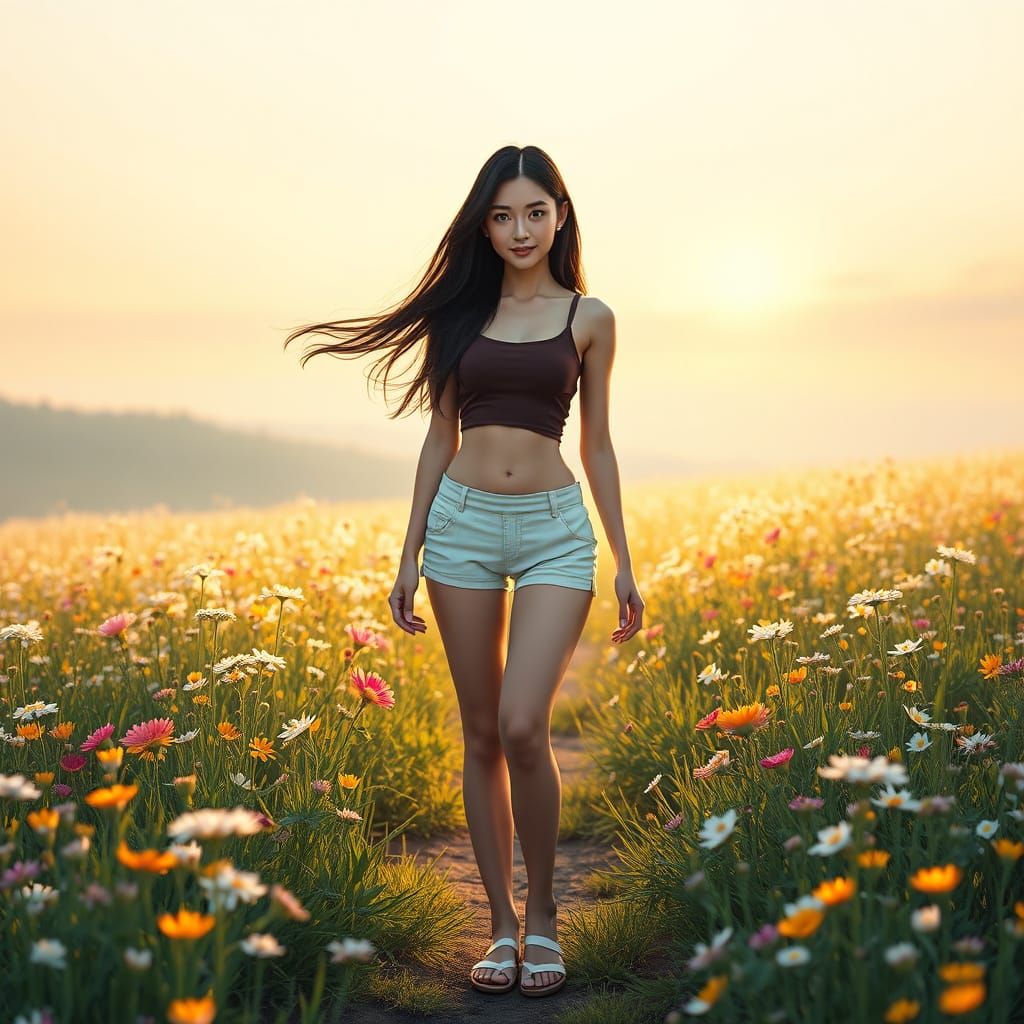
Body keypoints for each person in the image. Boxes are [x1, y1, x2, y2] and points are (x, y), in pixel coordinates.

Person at [284, 144, 644, 998]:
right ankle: (501, 923)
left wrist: (624, 557)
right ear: (484, 224)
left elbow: (595, 439)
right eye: (502, 215)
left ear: (561, 215)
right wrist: (409, 548)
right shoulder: (460, 317)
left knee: (525, 724)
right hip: (462, 531)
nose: (519, 229)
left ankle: (548, 915)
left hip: (557, 530)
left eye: (534, 212)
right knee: (481, 733)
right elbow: (438, 437)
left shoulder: (590, 316)